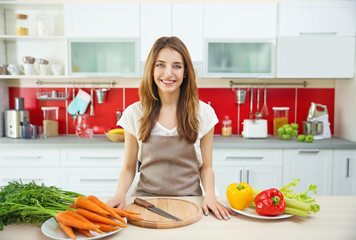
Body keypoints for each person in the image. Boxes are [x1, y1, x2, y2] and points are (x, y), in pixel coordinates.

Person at [106, 36, 234, 220]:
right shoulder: (134, 114)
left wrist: (210, 196)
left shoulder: (203, 113)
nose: (168, 73)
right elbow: (128, 168)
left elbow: (206, 168)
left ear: (186, 72)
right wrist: (119, 195)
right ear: (151, 70)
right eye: (160, 65)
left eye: (177, 66)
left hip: (192, 202)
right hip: (145, 203)